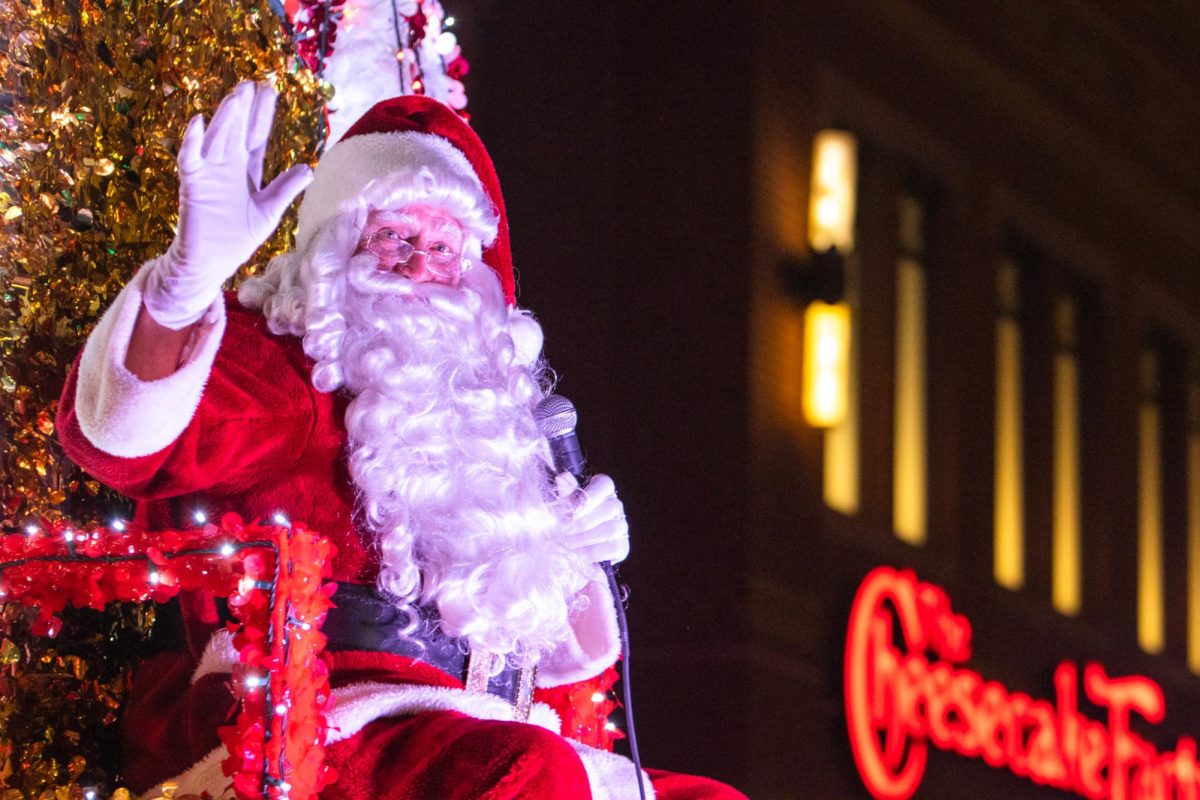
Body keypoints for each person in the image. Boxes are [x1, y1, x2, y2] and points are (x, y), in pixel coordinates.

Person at [58, 82, 746, 800]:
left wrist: (572, 557)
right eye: (394, 238)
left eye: (444, 247)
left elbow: (560, 663)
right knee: (523, 774)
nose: (422, 268)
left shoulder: (492, 421)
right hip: (315, 724)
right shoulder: (291, 371)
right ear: (336, 247)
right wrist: (183, 287)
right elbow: (124, 441)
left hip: (478, 728)